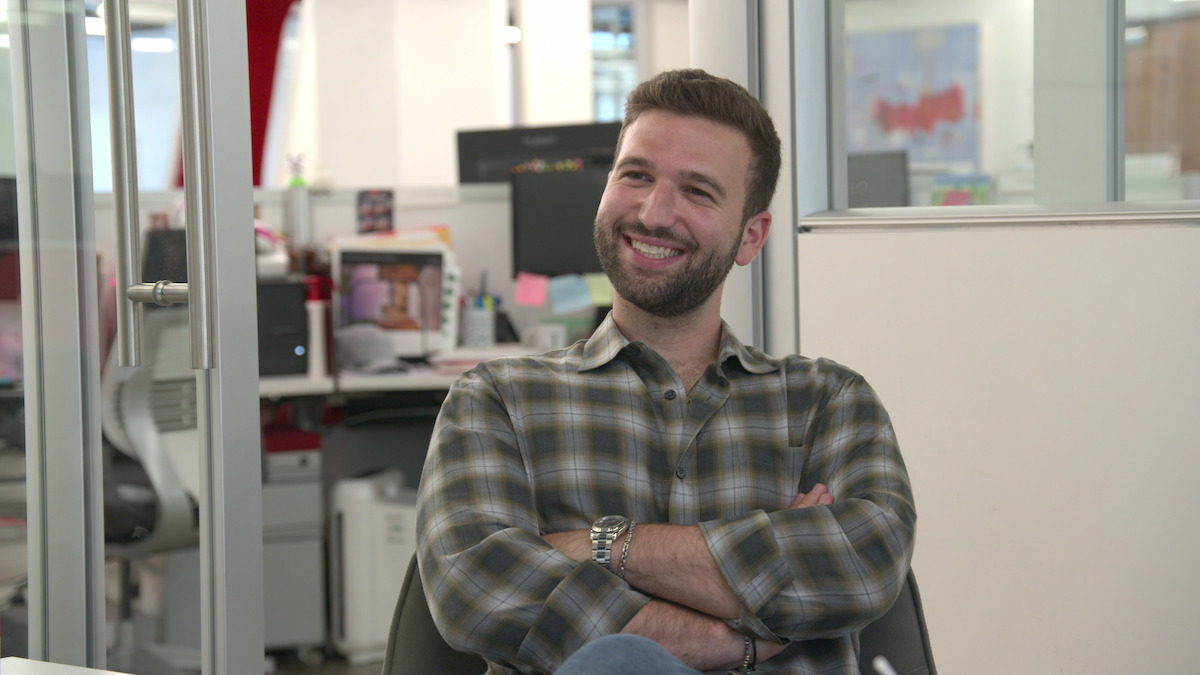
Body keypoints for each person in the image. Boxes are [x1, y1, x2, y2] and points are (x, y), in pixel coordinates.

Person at [416, 68, 915, 674]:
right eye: (636, 176)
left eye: (698, 191)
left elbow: (862, 563)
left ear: (750, 237)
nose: (654, 214)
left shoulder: (827, 403)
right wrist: (743, 630)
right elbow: (477, 588)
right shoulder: (498, 400)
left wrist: (603, 545)